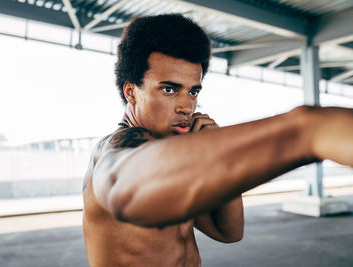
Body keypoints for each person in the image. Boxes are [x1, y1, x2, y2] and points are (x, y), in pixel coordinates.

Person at [82, 14, 353, 267]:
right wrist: (305, 133)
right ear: (131, 92)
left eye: (193, 91)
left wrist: (209, 147)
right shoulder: (115, 148)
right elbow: (123, 189)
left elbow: (229, 232)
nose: (186, 106)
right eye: (169, 89)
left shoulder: (173, 162)